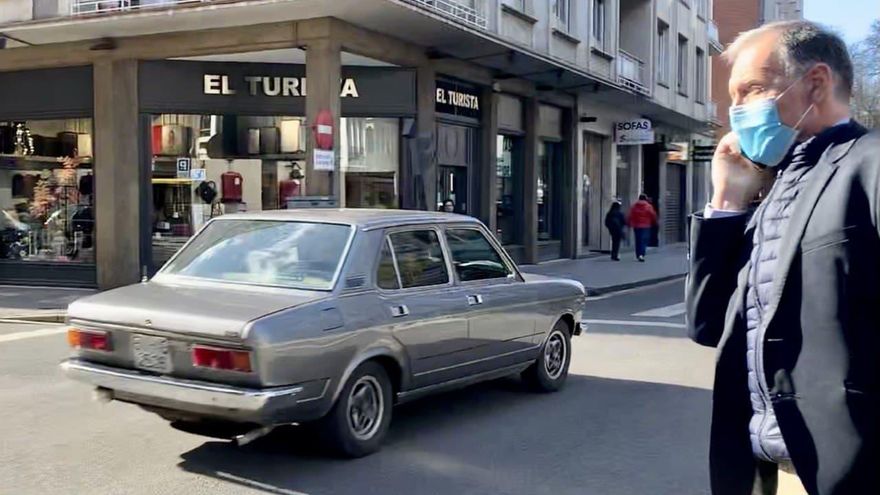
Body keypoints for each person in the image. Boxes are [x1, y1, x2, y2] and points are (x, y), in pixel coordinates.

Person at [685, 21, 880, 495]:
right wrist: (728, 200)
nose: (736, 113)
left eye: (750, 91)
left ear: (815, 83)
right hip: (762, 470)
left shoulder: (868, 165)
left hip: (846, 470)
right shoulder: (771, 194)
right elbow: (707, 324)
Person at [626, 194, 657, 262]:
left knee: (638, 240)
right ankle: (641, 254)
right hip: (646, 226)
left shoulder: (634, 206)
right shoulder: (649, 206)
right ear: (645, 199)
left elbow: (630, 215)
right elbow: (653, 215)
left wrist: (629, 223)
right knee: (644, 241)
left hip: (636, 226)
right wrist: (655, 222)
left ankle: (638, 254)